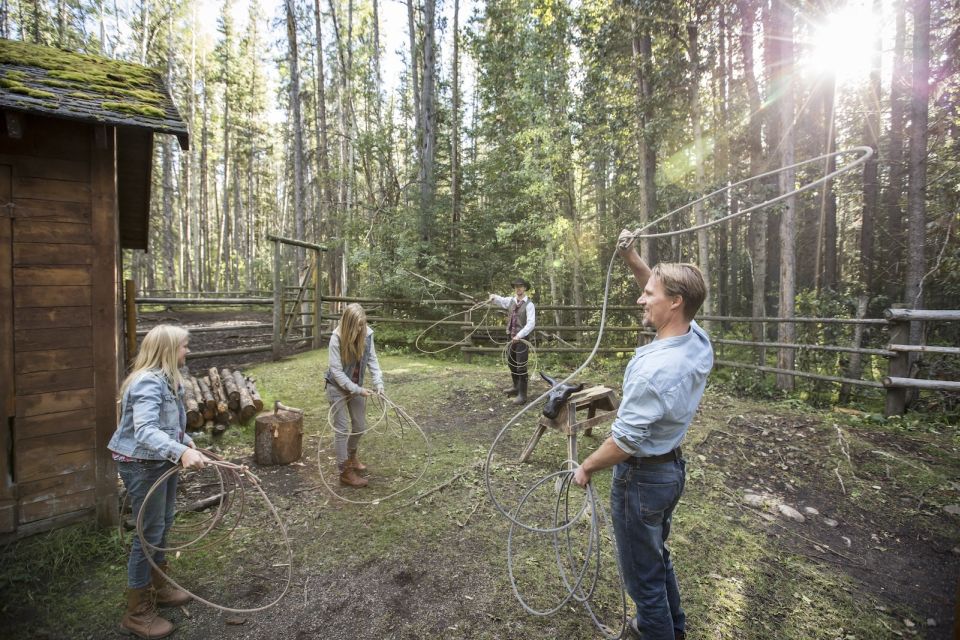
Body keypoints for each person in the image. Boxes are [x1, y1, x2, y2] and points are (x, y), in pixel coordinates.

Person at [573, 230, 713, 640]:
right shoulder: (696, 339)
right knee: (656, 558)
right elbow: (652, 284)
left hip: (641, 479)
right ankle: (673, 630)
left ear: (675, 302)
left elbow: (625, 442)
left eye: (649, 294)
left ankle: (653, 632)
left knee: (642, 577)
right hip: (669, 472)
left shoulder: (654, 371)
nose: (641, 298)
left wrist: (586, 466)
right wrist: (631, 256)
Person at [108, 325, 209, 639]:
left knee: (162, 523)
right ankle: (136, 613)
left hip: (159, 462)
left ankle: (158, 586)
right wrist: (179, 452)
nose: (187, 352)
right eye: (184, 347)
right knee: (147, 535)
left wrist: (186, 442)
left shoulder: (169, 381)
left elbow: (169, 426)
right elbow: (145, 431)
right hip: (142, 466)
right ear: (167, 350)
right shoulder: (147, 384)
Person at [325, 303, 385, 488]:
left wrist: (378, 382)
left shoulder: (367, 334)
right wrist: (358, 390)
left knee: (359, 425)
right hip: (337, 387)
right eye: (357, 325)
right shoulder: (336, 339)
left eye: (363, 324)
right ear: (349, 324)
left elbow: (372, 360)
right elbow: (337, 373)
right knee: (342, 428)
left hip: (356, 386)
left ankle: (351, 457)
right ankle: (344, 471)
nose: (361, 329)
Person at [487, 277, 536, 404]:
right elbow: (500, 300)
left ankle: (523, 395)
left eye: (520, 286)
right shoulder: (511, 301)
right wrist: (493, 297)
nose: (518, 288)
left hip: (522, 339)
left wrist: (519, 335)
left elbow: (531, 324)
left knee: (521, 366)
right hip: (511, 338)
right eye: (516, 286)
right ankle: (516, 387)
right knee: (511, 362)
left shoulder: (529, 305)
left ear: (525, 288)